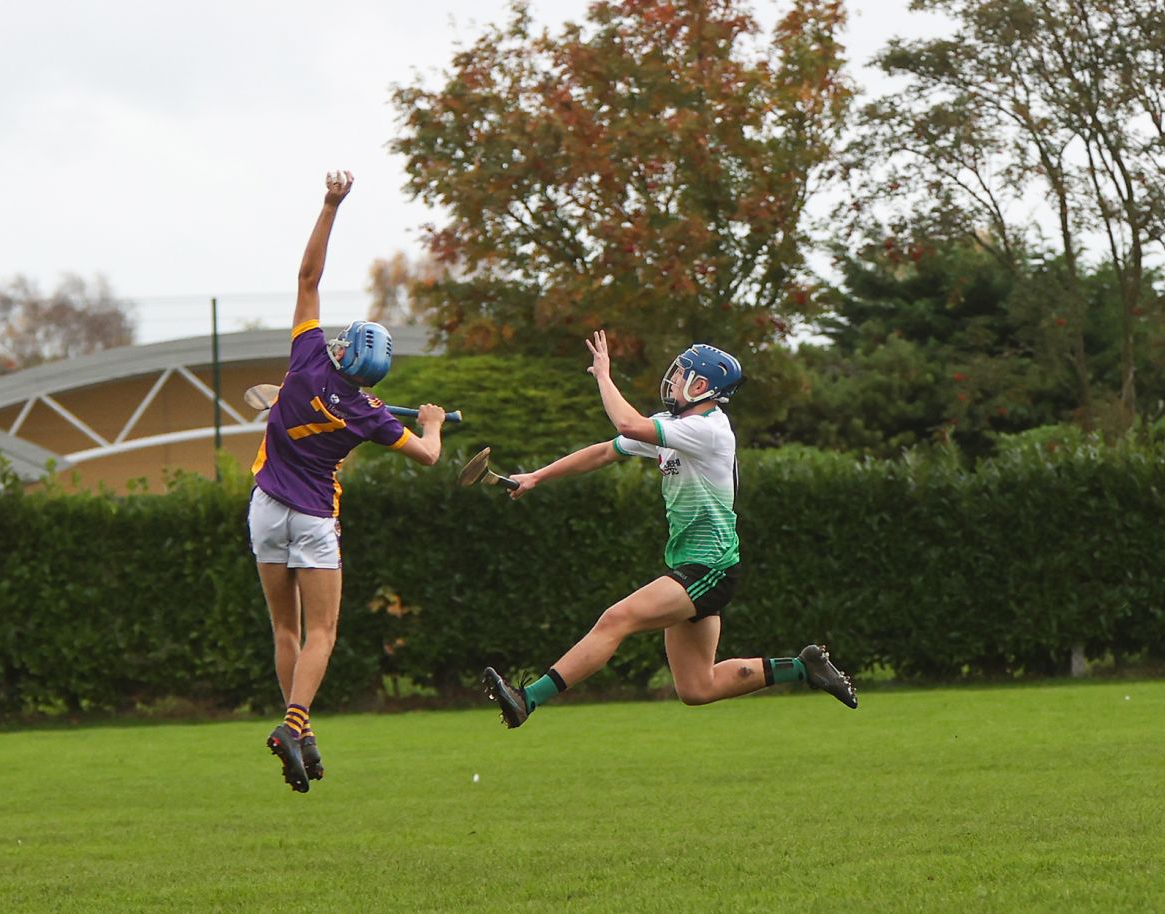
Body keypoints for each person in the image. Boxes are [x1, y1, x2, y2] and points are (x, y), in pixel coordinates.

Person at [482, 329, 857, 729]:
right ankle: (804, 668)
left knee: (616, 619)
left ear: (701, 386)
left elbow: (627, 424)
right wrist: (536, 477)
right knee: (697, 688)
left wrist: (604, 376)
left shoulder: (708, 430)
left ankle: (528, 699)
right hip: (692, 565)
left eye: (681, 374)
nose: (672, 379)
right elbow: (606, 450)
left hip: (709, 568)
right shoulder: (671, 426)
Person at [250, 170, 449, 793]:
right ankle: (297, 722)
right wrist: (437, 425)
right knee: (324, 632)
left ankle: (300, 734)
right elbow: (429, 458)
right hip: (313, 519)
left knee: (286, 631)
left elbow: (308, 278)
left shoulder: (306, 359)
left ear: (342, 354)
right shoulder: (368, 413)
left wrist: (330, 204)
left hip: (264, 507)